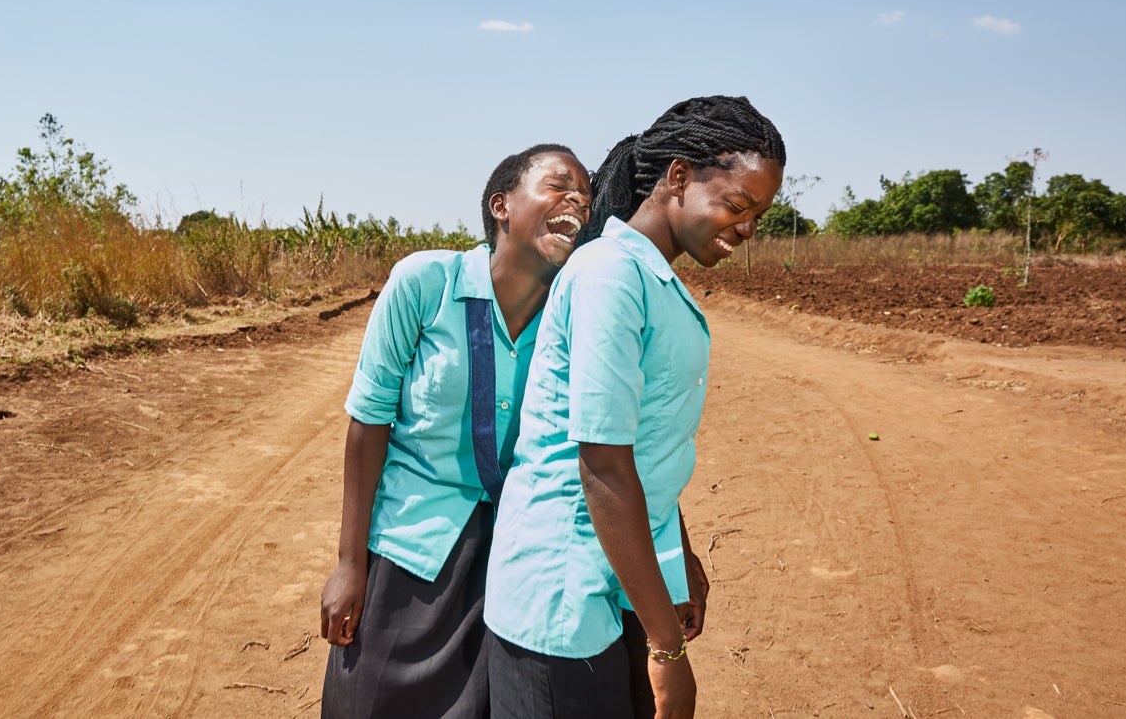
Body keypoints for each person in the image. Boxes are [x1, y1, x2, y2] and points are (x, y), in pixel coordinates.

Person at [484, 96, 787, 719]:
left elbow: (647, 449)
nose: (748, 229)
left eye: (760, 213)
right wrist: (669, 652)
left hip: (616, 582)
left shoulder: (648, 277)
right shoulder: (610, 276)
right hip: (561, 598)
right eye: (736, 205)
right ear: (678, 177)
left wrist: (678, 558)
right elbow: (603, 465)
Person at [319, 144, 593, 719]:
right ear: (502, 205)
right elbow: (369, 423)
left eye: (586, 195)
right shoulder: (426, 283)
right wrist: (349, 563)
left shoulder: (572, 314)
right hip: (411, 547)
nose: (578, 200)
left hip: (513, 556)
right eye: (560, 184)